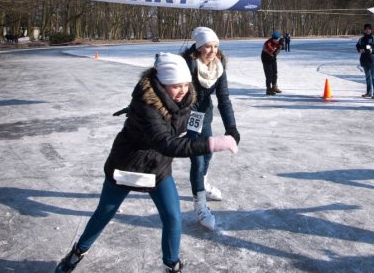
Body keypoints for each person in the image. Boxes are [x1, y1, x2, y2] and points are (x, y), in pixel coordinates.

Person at [55, 53, 238, 273]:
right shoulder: (146, 105)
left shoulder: (187, 99)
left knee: (173, 217)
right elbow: (166, 144)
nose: (182, 91)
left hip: (158, 168)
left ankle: (171, 265)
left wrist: (217, 133)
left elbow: (190, 128)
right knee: (104, 213)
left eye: (184, 85)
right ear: (161, 83)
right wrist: (212, 143)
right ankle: (75, 255)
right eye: (175, 86)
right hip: (127, 165)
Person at [182, 27, 240, 230]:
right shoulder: (188, 65)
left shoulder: (219, 65)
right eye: (207, 46)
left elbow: (223, 99)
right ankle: (199, 203)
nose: (212, 51)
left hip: (204, 116)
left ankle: (203, 184)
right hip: (187, 117)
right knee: (197, 160)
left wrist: (231, 127)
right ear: (198, 48)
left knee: (207, 155)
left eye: (215, 46)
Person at [356, 23, 374, 99]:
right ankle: (369, 92)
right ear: (364, 30)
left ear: (371, 30)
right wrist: (359, 50)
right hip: (364, 60)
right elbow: (357, 46)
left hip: (372, 60)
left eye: (369, 29)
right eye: (366, 29)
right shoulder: (362, 39)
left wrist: (372, 50)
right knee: (367, 77)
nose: (367, 30)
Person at [261, 31, 283, 95]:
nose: (278, 41)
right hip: (266, 58)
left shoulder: (278, 42)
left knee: (275, 72)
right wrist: (279, 47)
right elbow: (273, 52)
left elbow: (281, 49)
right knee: (269, 74)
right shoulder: (268, 44)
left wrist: (282, 45)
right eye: (276, 40)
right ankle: (268, 89)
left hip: (273, 58)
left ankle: (274, 86)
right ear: (273, 39)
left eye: (278, 39)